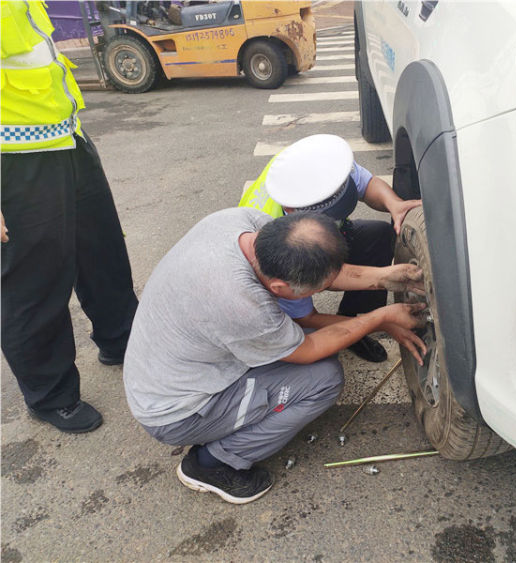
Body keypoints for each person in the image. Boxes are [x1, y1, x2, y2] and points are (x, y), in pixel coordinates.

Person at [124, 209, 425, 503]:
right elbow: (307, 351)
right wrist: (381, 318)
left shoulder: (241, 222)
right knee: (323, 379)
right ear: (278, 287)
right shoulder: (243, 304)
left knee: (305, 346)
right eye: (315, 290)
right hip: (177, 410)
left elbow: (325, 269)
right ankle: (213, 462)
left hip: (169, 362)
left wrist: (386, 276)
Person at [1, 1, 138, 433]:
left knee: (102, 251)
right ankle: (49, 394)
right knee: (35, 282)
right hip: (16, 161)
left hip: (66, 138)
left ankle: (121, 338)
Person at [239, 134, 422, 363]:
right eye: (329, 218)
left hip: (310, 245)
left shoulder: (322, 165)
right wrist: (378, 323)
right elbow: (306, 317)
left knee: (378, 235)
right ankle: (353, 332)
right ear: (293, 210)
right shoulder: (273, 240)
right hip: (289, 265)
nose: (340, 217)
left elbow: (366, 184)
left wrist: (394, 203)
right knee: (310, 344)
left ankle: (351, 316)